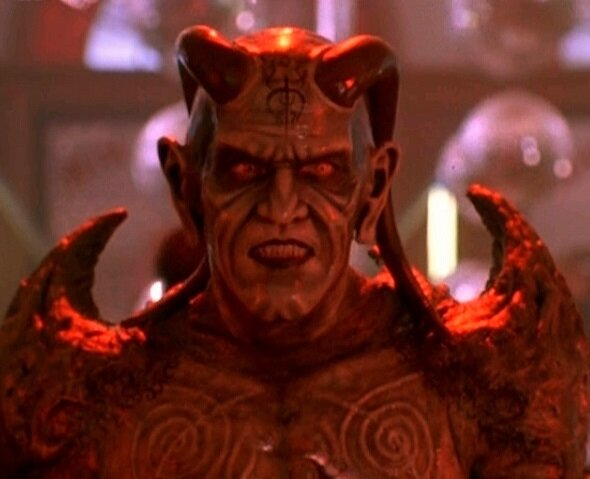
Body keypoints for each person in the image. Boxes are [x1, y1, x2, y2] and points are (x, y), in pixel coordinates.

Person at [0, 25, 587, 478]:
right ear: (186, 186)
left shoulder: (474, 385)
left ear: (373, 189)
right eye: (245, 170)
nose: (282, 207)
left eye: (321, 172)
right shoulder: (95, 402)